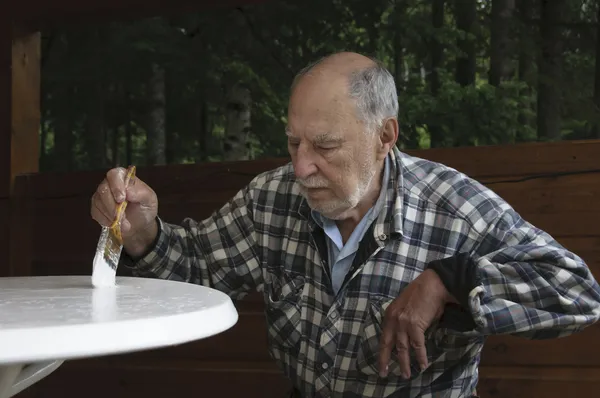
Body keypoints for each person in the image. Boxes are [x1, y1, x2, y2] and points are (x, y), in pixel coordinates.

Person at [90, 52, 600, 398]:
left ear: (385, 136)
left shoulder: (456, 207)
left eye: (325, 146)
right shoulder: (271, 199)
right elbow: (199, 267)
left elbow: (577, 294)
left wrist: (454, 281)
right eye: (294, 143)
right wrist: (144, 235)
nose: (301, 168)